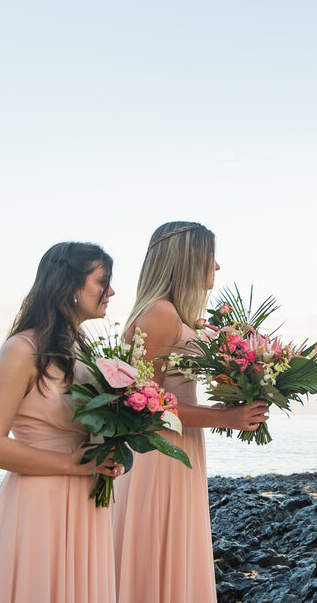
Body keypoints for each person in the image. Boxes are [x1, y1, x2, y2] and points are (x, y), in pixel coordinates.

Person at [112, 222, 268, 603]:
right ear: (188, 259)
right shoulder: (159, 314)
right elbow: (147, 404)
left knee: (172, 554)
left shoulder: (176, 316)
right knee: (155, 556)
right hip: (158, 454)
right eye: (210, 257)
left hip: (180, 447)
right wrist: (225, 418)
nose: (216, 267)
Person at [0, 241, 121, 603]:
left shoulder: (83, 352)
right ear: (69, 286)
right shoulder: (22, 350)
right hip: (41, 504)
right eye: (103, 281)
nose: (111, 291)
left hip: (87, 501)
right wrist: (73, 465)